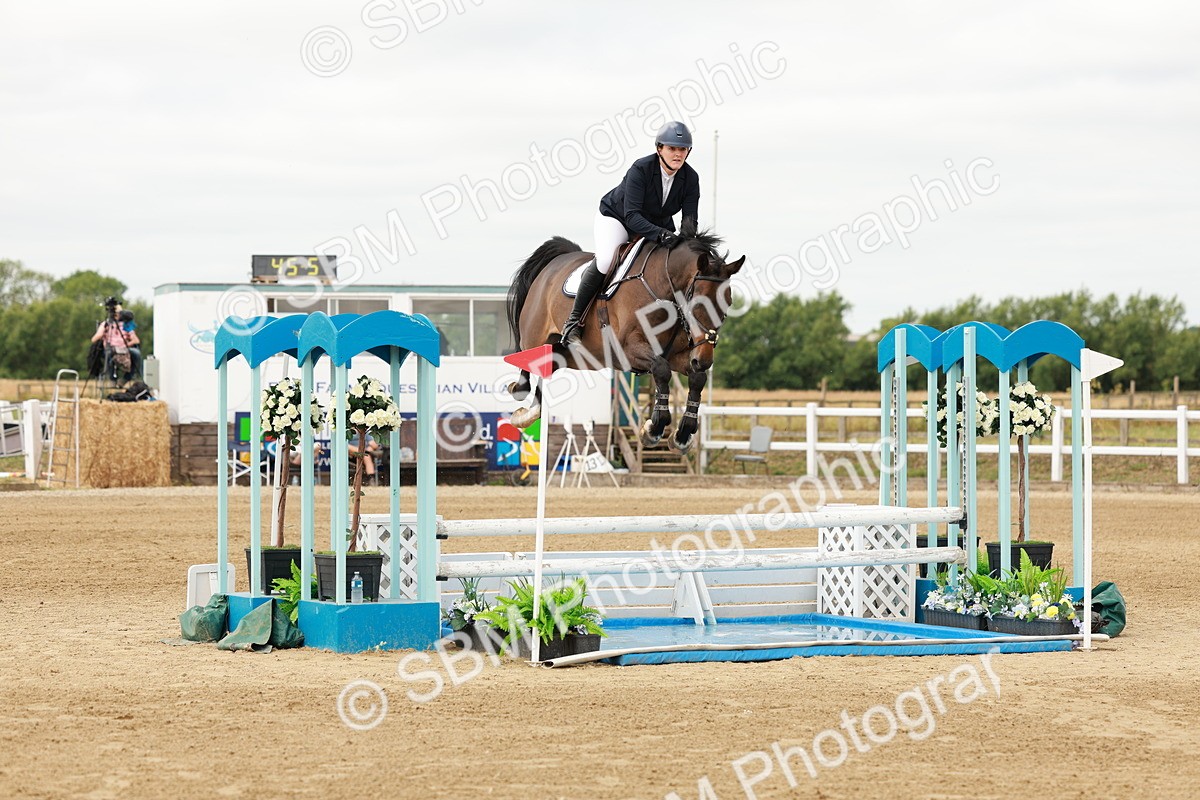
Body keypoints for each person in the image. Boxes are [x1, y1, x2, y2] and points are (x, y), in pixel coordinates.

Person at [560, 121, 700, 345]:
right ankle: (574, 322)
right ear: (659, 149)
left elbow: (689, 222)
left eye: (682, 149)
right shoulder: (641, 169)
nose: (677, 154)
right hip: (618, 218)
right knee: (606, 261)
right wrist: (662, 235)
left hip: (657, 225)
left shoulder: (691, 179)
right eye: (672, 148)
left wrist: (688, 249)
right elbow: (632, 215)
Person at [90, 297, 136, 384]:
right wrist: (102, 333)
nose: (118, 315)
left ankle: (126, 378)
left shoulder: (126, 325)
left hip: (124, 348)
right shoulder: (106, 324)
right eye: (117, 313)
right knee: (109, 354)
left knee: (136, 354)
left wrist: (127, 344)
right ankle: (112, 379)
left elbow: (135, 340)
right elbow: (95, 338)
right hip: (110, 348)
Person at [118, 309, 143, 381]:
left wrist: (125, 345)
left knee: (135, 360)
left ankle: (124, 379)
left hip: (126, 348)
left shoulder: (127, 326)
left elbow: (136, 340)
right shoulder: (127, 325)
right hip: (121, 349)